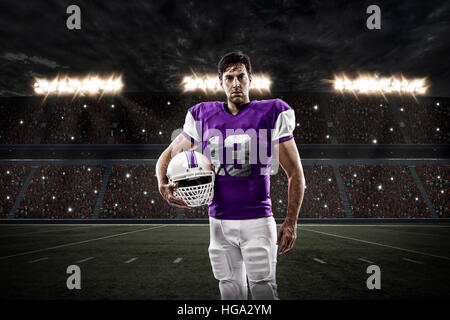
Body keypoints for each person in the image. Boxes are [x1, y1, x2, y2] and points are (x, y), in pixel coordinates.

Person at [156, 52, 305, 300]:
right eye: (229, 78)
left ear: (250, 79)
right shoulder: (202, 114)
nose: (235, 83)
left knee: (264, 292)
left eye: (241, 76)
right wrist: (162, 183)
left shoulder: (273, 112)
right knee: (229, 292)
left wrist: (291, 222)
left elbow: (296, 174)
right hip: (219, 223)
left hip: (258, 220)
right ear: (220, 82)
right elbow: (167, 155)